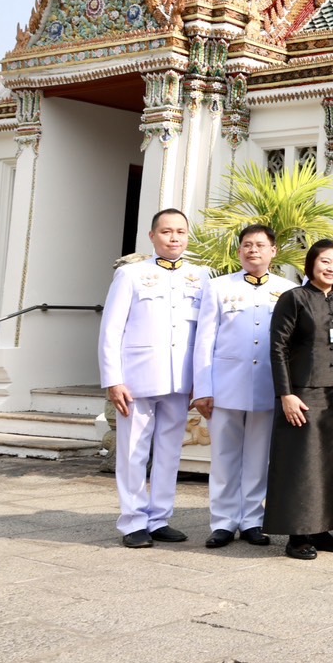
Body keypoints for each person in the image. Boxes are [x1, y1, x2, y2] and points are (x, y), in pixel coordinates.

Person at [99, 208, 208, 548]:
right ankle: (132, 521)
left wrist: (202, 382)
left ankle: (159, 518)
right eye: (166, 231)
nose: (174, 237)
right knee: (132, 452)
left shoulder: (201, 276)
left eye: (180, 232)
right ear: (152, 236)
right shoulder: (131, 275)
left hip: (179, 381)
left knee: (169, 453)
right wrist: (113, 379)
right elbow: (111, 330)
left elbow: (205, 333)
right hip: (137, 380)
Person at [191, 223, 294, 549]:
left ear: (273, 251)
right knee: (223, 457)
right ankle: (222, 522)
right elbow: (204, 340)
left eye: (260, 245)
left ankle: (252, 520)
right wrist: (202, 389)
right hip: (226, 385)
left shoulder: (287, 288)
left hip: (267, 385)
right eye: (247, 245)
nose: (253, 250)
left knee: (258, 458)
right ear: (239, 251)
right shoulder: (218, 287)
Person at [266, 239, 333, 560]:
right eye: (325, 262)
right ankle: (298, 534)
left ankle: (323, 529)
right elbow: (278, 349)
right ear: (311, 264)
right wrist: (285, 394)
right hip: (302, 394)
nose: (331, 268)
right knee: (302, 464)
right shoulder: (294, 299)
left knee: (332, 465)